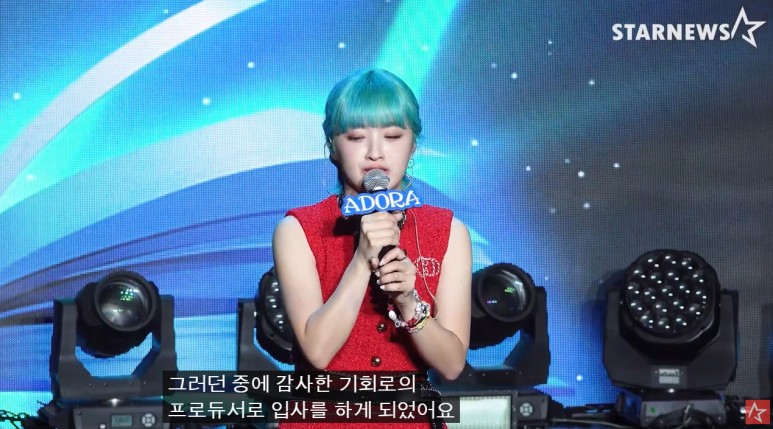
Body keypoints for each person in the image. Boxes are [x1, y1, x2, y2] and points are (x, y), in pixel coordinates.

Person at [272, 68, 472, 428]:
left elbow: (452, 364)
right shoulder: (298, 229)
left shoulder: (448, 231)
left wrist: (409, 302)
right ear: (333, 146)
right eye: (356, 137)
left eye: (393, 136)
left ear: (413, 145)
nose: (376, 153)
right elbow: (317, 351)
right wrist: (362, 259)